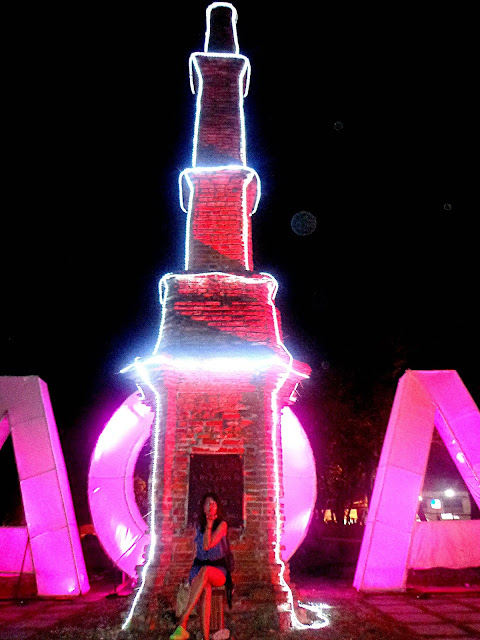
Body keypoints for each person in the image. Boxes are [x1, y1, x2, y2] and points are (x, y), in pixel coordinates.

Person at [170, 492, 228, 640]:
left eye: (214, 503)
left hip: (218, 570)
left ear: (217, 507)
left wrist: (209, 526)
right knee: (206, 590)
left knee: (206, 571)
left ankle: (184, 619)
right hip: (199, 568)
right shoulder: (199, 526)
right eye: (208, 503)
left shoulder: (222, 525)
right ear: (203, 508)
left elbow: (208, 546)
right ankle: (205, 637)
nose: (211, 506)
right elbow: (197, 550)